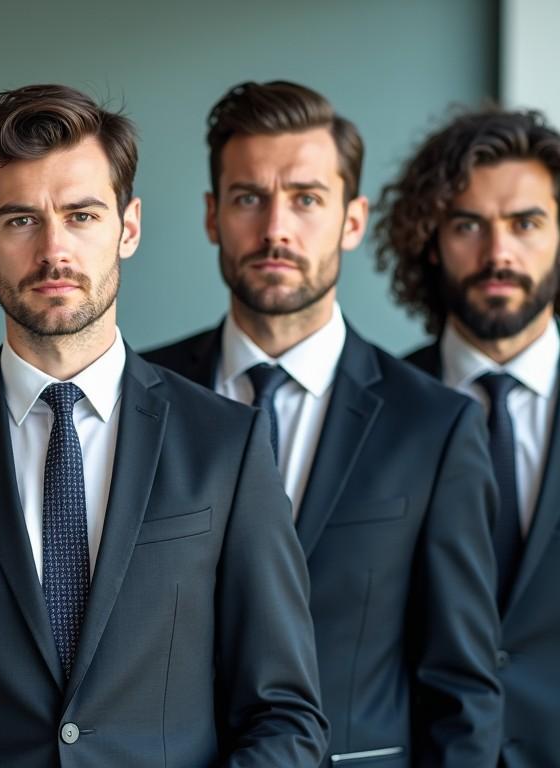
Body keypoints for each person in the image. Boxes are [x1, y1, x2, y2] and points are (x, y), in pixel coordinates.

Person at [0, 83, 328, 767]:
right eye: (22, 220)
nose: (54, 250)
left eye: (82, 215)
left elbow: (285, 717)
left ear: (130, 225)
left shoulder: (226, 447)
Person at [145, 80, 502, 766]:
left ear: (353, 218)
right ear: (213, 216)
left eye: (306, 199)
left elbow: (461, 692)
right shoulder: (141, 396)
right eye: (249, 198)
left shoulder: (434, 426)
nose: (276, 228)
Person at [377, 107, 560, 768]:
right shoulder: (373, 411)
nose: (498, 253)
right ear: (430, 239)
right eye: (467, 225)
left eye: (526, 223)